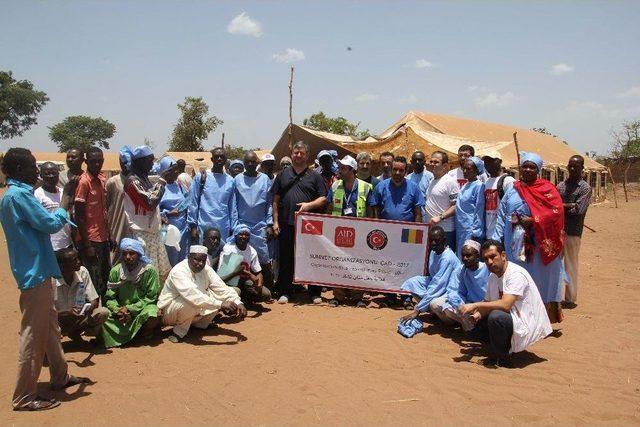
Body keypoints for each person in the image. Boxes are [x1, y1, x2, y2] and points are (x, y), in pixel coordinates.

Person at [0, 148, 90, 411]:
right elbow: (50, 224)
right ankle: (24, 396)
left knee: (51, 328)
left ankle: (60, 376)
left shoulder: (16, 195)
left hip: (38, 269)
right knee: (33, 335)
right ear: (18, 171)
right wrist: (65, 203)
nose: (35, 171)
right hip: (34, 273)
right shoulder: (18, 197)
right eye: (31, 167)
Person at [492, 152, 565, 323]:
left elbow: (556, 213)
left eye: (532, 167)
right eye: (525, 166)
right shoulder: (513, 189)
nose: (528, 169)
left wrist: (533, 221)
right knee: (517, 280)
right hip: (514, 244)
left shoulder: (548, 189)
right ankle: (519, 318)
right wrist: (496, 239)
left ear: (538, 170)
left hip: (539, 247)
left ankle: (542, 320)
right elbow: (502, 215)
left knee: (540, 281)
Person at [460, 240, 552, 367]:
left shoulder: (516, 274)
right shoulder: (493, 276)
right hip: (511, 317)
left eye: (493, 257)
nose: (489, 262)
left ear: (503, 255)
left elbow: (505, 305)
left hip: (525, 320)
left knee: (496, 316)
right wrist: (475, 317)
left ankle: (503, 357)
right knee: (474, 324)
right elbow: (488, 302)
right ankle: (498, 347)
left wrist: (475, 305)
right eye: (486, 259)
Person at [272, 141, 327, 304]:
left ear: (307, 155)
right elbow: (275, 199)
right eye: (296, 152)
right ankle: (285, 292)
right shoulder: (282, 175)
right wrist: (275, 222)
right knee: (286, 258)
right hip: (286, 223)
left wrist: (308, 205)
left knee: (311, 257)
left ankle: (315, 292)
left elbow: (323, 198)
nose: (298, 155)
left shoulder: (315, 176)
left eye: (302, 153)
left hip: (310, 225)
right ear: (292, 154)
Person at [159, 245, 247, 343]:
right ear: (189, 257)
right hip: (169, 311)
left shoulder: (206, 269)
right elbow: (193, 296)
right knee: (192, 303)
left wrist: (238, 302)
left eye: (203, 261)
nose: (200, 263)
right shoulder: (179, 271)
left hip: (193, 305)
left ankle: (199, 325)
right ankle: (178, 332)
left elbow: (221, 288)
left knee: (221, 296)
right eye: (196, 259)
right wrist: (221, 304)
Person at [326, 155, 373, 307]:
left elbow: (371, 212)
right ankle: (338, 295)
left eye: (344, 168)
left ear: (352, 170)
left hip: (360, 234)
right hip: (339, 232)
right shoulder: (335, 186)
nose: (340, 170)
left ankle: (357, 296)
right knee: (338, 263)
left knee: (358, 264)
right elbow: (329, 207)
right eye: (340, 167)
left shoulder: (366, 187)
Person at [101, 238, 161, 348]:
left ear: (139, 254)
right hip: (121, 310)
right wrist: (118, 310)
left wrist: (130, 309)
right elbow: (110, 297)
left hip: (142, 307)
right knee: (103, 316)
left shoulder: (149, 271)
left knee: (153, 314)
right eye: (124, 254)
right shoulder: (116, 271)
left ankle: (144, 331)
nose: (128, 257)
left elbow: (151, 297)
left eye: (132, 253)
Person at [123, 145, 171, 279]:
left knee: (160, 274)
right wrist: (162, 180)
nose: (152, 164)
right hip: (142, 236)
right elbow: (149, 203)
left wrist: (159, 216)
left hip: (152, 234)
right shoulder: (133, 181)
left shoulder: (144, 179)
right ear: (140, 162)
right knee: (146, 274)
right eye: (149, 160)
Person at [400, 226, 461, 322]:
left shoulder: (447, 258)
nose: (433, 243)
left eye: (436, 240)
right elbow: (434, 279)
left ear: (444, 240)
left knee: (434, 304)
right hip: (438, 286)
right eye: (431, 240)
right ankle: (431, 310)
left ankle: (450, 321)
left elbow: (438, 284)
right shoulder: (433, 252)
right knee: (412, 282)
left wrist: (417, 310)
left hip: (449, 289)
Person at [233, 150, 274, 289]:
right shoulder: (237, 179)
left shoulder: (264, 179)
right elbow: (234, 203)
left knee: (264, 256)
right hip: (242, 224)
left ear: (257, 163)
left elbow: (269, 203)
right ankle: (243, 288)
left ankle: (268, 286)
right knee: (241, 256)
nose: (250, 164)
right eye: (247, 162)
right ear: (244, 164)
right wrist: (235, 224)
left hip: (260, 224)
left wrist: (269, 224)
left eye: (253, 162)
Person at [75, 146, 111, 299]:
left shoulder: (102, 180)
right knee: (93, 281)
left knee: (105, 278)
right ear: (86, 162)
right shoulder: (84, 182)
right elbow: (79, 216)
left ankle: (104, 316)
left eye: (99, 161)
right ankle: (91, 317)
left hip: (103, 238)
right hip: (90, 239)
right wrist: (87, 245)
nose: (97, 164)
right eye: (93, 161)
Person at [557, 155, 591, 307]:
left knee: (570, 265)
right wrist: (567, 206)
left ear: (582, 168)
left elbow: (578, 209)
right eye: (570, 165)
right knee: (554, 265)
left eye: (576, 166)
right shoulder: (561, 186)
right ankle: (555, 296)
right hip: (558, 231)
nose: (572, 168)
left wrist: (560, 206)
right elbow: (553, 205)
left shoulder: (585, 188)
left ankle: (570, 299)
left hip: (573, 232)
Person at [429, 240, 489, 328]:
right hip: (465, 304)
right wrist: (461, 305)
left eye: (468, 255)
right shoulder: (460, 270)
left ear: (477, 256)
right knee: (435, 304)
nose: (465, 258)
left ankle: (470, 324)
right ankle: (464, 323)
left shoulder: (487, 269)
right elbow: (453, 291)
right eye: (463, 256)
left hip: (483, 307)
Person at [54, 247, 109, 342]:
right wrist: (66, 312)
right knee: (45, 323)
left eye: (78, 258)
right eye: (74, 260)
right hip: (57, 320)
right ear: (62, 266)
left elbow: (94, 300)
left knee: (102, 313)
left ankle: (76, 334)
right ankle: (53, 345)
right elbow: (44, 312)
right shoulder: (50, 280)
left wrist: (85, 310)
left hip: (79, 317)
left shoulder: (83, 272)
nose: (79, 262)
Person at [188, 147, 237, 245]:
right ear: (212, 159)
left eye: (222, 157)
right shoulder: (201, 177)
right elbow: (193, 202)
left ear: (225, 160)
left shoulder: (230, 181)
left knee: (222, 257)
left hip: (223, 227)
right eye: (216, 157)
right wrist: (193, 226)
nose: (219, 159)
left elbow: (233, 206)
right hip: (204, 225)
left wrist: (233, 228)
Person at [219, 224, 272, 304]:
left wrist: (259, 284)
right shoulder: (228, 249)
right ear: (236, 235)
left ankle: (245, 299)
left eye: (247, 235)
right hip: (230, 282)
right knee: (236, 292)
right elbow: (221, 277)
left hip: (245, 281)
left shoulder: (252, 251)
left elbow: (258, 272)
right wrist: (239, 273)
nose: (244, 237)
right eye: (241, 234)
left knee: (266, 294)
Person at [369, 156, 424, 223]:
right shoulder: (380, 186)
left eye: (401, 170)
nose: (397, 173)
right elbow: (374, 210)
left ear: (406, 171)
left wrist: (418, 230)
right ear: (391, 169)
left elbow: (418, 213)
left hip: (407, 231)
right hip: (385, 229)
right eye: (395, 169)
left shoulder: (414, 188)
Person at [158, 156, 190, 266]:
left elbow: (188, 199)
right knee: (166, 258)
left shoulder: (179, 185)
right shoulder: (159, 187)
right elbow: (154, 210)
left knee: (182, 259)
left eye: (177, 169)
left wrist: (181, 209)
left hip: (182, 228)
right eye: (173, 169)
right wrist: (167, 213)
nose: (176, 172)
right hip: (166, 228)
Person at [424, 151, 459, 251]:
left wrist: (441, 217)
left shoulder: (450, 182)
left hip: (445, 230)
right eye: (431, 161)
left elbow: (455, 206)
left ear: (444, 166)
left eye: (436, 162)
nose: (432, 164)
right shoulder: (432, 181)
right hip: (432, 229)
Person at [34, 162, 73, 251]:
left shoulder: (64, 193)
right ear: (41, 175)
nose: (51, 176)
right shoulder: (38, 194)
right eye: (47, 174)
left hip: (67, 243)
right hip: (49, 245)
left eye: (54, 173)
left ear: (58, 174)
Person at [106, 147, 134, 264]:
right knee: (116, 259)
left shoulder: (136, 181)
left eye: (129, 162)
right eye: (123, 162)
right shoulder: (113, 182)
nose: (126, 165)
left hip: (134, 227)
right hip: (117, 226)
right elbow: (105, 208)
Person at [455, 156, 486, 258]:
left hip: (470, 230)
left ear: (477, 171)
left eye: (468, 169)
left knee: (469, 257)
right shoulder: (465, 185)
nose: (465, 171)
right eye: (464, 168)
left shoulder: (479, 186)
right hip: (461, 228)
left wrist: (476, 232)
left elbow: (479, 209)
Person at [482, 151, 515, 239]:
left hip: (502, 233)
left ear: (500, 162)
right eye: (486, 161)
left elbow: (512, 207)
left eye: (491, 160)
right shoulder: (487, 181)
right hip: (489, 232)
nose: (488, 163)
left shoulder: (508, 181)